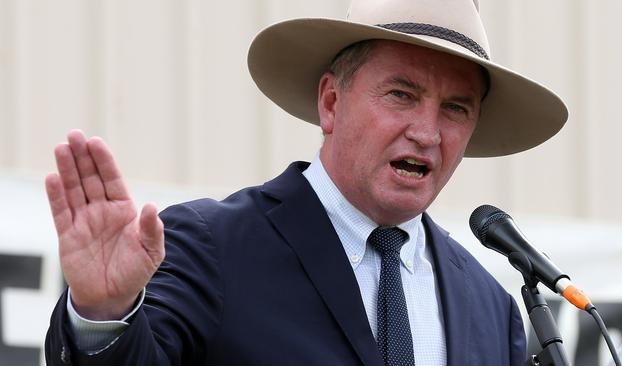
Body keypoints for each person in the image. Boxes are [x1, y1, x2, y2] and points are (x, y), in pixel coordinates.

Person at [44, 0, 568, 365]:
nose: (427, 132)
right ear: (331, 102)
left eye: (455, 108)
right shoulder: (213, 245)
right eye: (401, 95)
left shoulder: (489, 307)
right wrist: (104, 314)